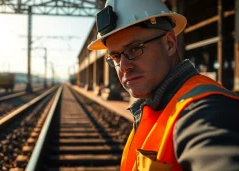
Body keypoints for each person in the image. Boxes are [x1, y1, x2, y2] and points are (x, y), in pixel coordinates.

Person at [87, 0, 239, 170]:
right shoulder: (153, 107)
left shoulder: (203, 111)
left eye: (135, 48)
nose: (123, 66)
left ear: (169, 44)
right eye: (115, 57)